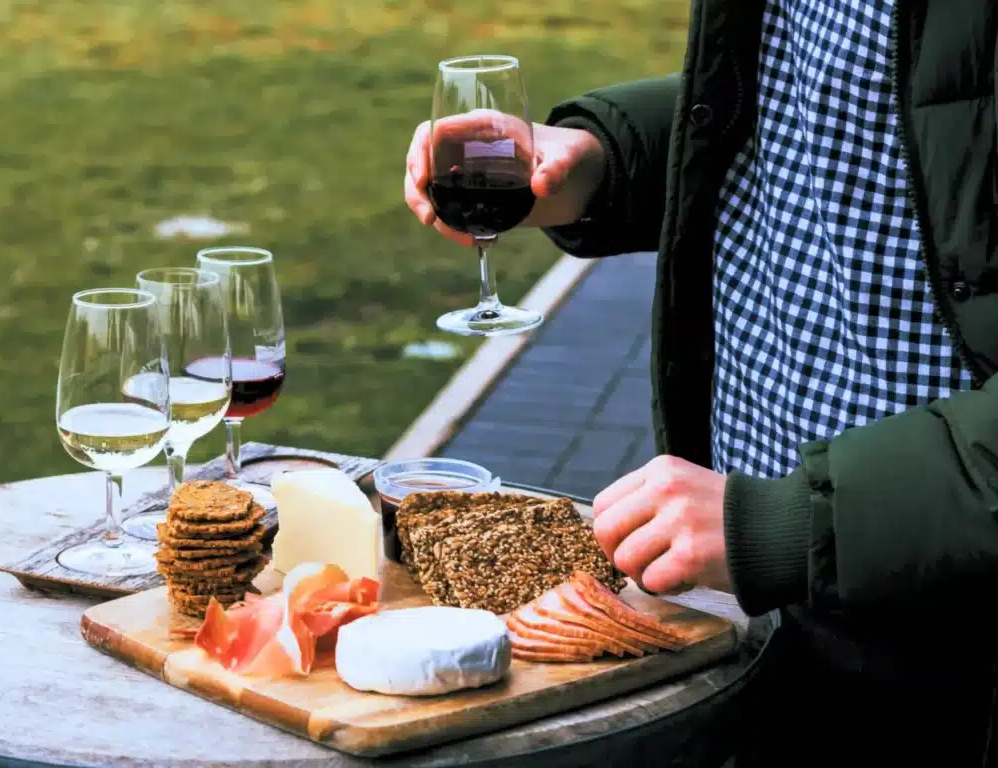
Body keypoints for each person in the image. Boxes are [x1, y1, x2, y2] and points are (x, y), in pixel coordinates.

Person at [406, 1, 998, 765]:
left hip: (945, 632)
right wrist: (600, 158)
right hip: (753, 600)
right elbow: (822, 114)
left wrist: (796, 523)